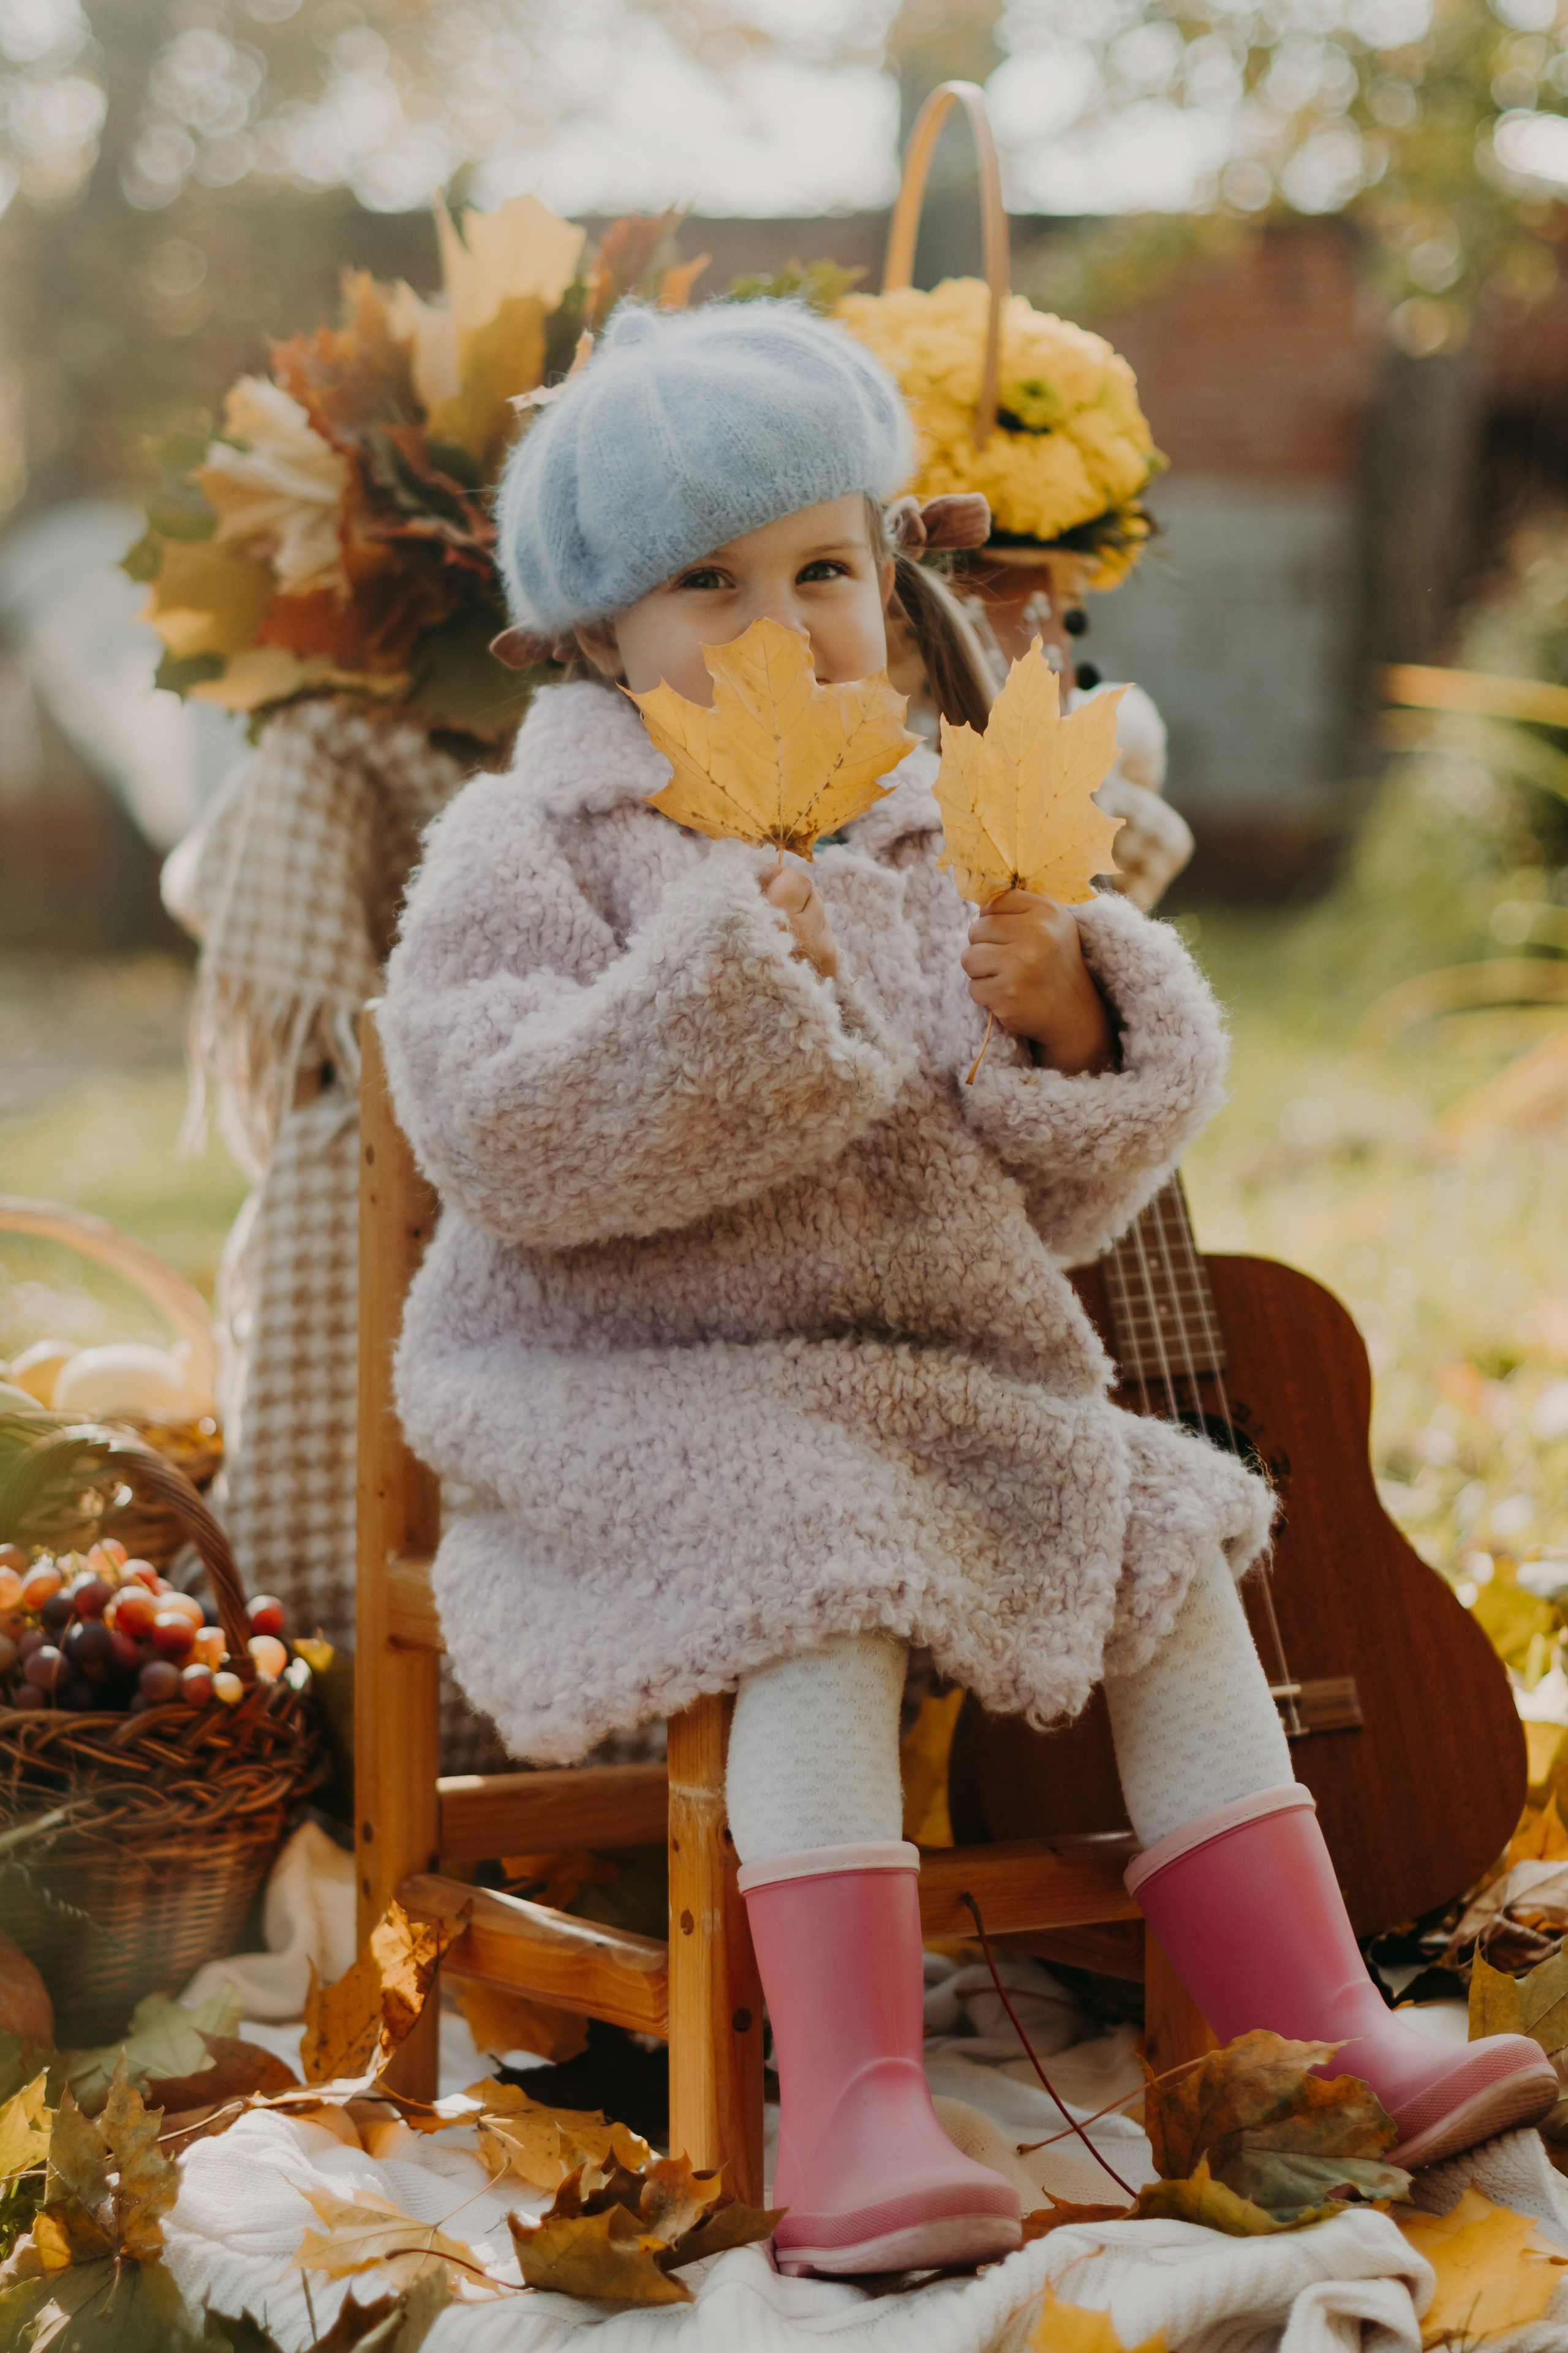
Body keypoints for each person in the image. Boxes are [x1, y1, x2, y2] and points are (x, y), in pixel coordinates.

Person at [379, 302, 1554, 2279]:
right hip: (629, 1385)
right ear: (591, 632)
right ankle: (852, 2102)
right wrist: (719, 994)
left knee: (1154, 1529)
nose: (781, 624)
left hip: (922, 1366)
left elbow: (1055, 1206)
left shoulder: (927, 824)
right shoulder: (530, 844)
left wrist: (1074, 1024)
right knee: (822, 1556)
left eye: (824, 568)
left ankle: (1318, 2021)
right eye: (708, 583)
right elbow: (496, 1127)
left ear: (890, 571)